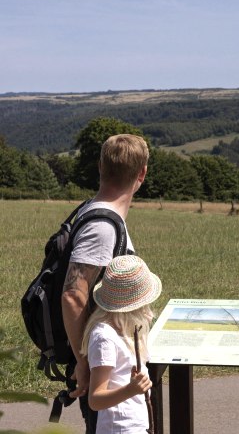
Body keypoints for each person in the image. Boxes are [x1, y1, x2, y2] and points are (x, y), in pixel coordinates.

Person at [62, 134, 149, 433]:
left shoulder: (96, 213)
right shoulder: (102, 226)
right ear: (142, 173)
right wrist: (84, 361)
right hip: (105, 371)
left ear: (100, 167)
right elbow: (73, 294)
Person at [80, 255, 161, 434]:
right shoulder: (104, 337)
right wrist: (131, 389)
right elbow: (95, 399)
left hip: (135, 425)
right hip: (119, 428)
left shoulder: (129, 329)